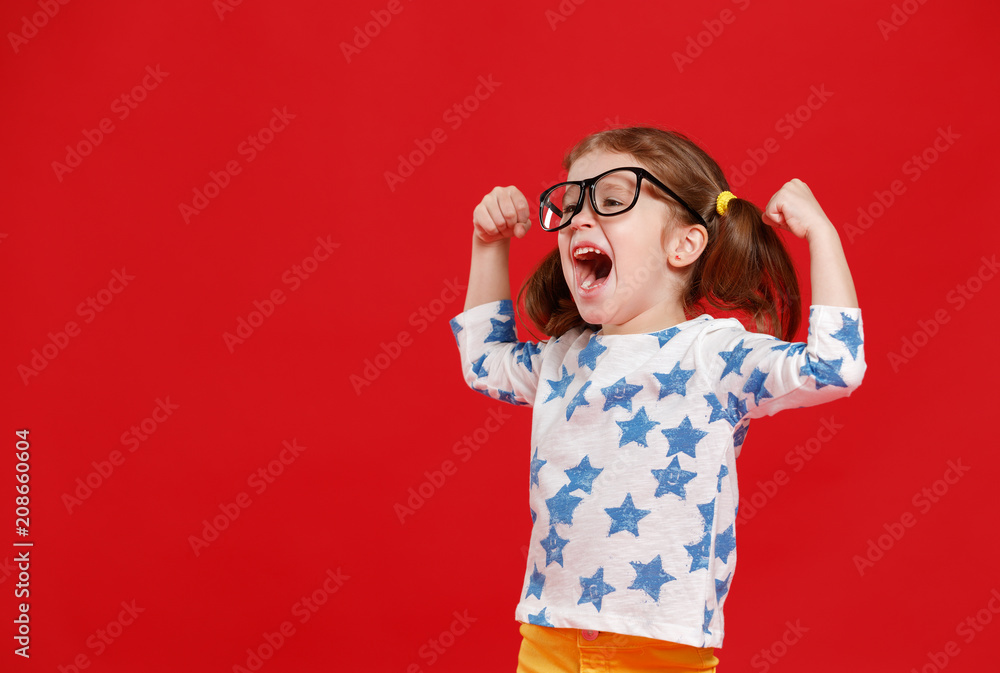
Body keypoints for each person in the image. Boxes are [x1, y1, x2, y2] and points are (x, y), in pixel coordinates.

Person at [448, 126, 865, 672]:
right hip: (548, 636)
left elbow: (835, 367)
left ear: (684, 243)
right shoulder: (560, 360)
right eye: (571, 205)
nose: (578, 219)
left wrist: (823, 235)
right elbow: (483, 362)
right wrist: (489, 243)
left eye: (613, 200)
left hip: (659, 649)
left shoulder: (712, 356)